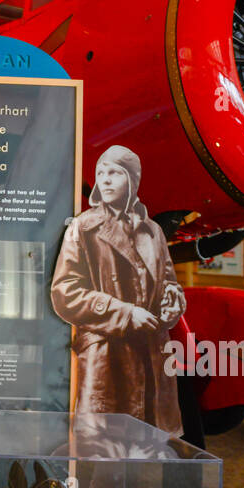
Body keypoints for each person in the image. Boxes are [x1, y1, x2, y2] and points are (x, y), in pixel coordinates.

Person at [51, 145, 185, 435]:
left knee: (148, 453)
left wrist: (173, 302)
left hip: (152, 356)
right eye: (101, 173)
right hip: (107, 359)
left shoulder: (154, 232)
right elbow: (64, 293)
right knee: (103, 457)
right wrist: (124, 313)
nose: (106, 180)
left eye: (115, 173)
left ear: (132, 180)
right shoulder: (83, 228)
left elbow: (169, 282)